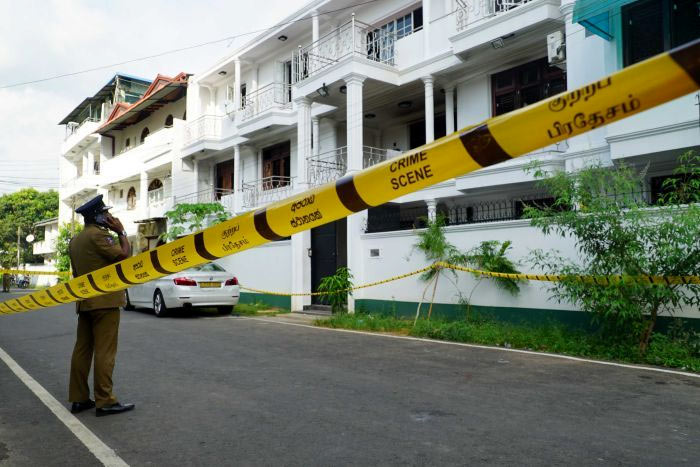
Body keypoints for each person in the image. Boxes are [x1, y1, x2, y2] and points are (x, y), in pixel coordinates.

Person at [68, 194, 135, 417]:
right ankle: (104, 401)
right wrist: (121, 232)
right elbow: (124, 257)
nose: (110, 216)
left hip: (85, 301)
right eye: (106, 214)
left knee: (82, 350)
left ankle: (78, 399)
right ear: (98, 217)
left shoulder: (75, 241)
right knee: (105, 352)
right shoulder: (99, 236)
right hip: (105, 302)